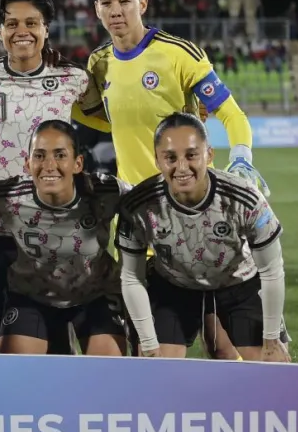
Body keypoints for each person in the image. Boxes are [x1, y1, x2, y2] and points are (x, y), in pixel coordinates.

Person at [85, 0, 274, 358]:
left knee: (224, 346)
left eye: (124, 0)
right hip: (141, 217)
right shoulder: (98, 64)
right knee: (157, 352)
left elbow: (231, 115)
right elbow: (97, 114)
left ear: (143, 3)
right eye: (106, 2)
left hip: (193, 215)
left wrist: (241, 160)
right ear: (97, 9)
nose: (116, 10)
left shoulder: (177, 54)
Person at [0, 0, 109, 352]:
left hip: (56, 230)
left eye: (32, 22)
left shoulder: (73, 79)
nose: (21, 31)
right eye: (11, 23)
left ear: (46, 29)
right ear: (0, 31)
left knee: (60, 343)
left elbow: (111, 118)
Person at [118, 113, 289, 363]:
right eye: (170, 158)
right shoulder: (137, 206)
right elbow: (132, 276)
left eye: (191, 155)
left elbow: (272, 271)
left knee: (272, 366)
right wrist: (148, 342)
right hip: (173, 288)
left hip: (237, 285)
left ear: (209, 155)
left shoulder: (246, 199)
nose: (182, 167)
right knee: (156, 369)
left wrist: (272, 339)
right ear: (157, 160)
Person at [0, 120, 129, 355]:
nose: (49, 165)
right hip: (31, 295)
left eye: (60, 155)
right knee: (18, 375)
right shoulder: (9, 196)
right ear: (27, 164)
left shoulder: (103, 191)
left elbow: (152, 201)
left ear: (78, 163)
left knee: (106, 375)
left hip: (95, 295)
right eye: (39, 155)